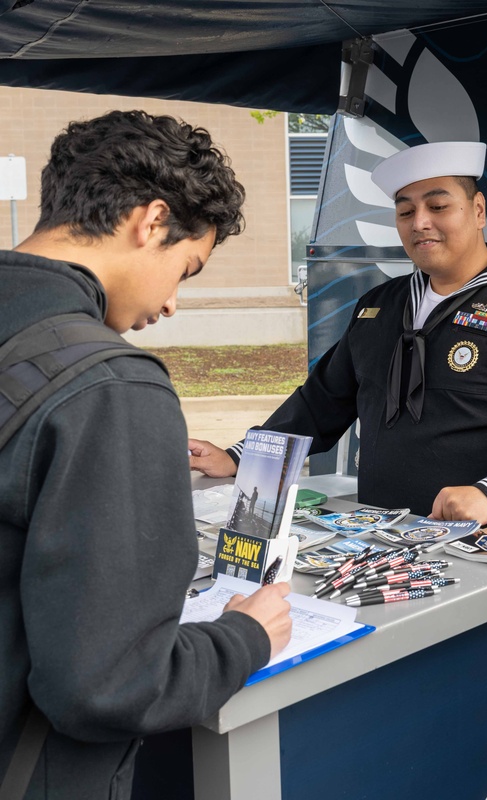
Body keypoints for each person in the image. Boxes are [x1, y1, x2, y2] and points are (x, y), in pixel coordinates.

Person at [0, 110, 293, 799]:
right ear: (152, 221)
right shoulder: (111, 386)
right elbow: (109, 684)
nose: (170, 305)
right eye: (185, 270)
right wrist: (245, 636)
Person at [189, 141, 487, 536]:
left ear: (478, 211)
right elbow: (322, 403)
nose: (420, 222)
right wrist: (241, 457)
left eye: (439, 206)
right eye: (405, 212)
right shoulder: (380, 307)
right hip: (385, 539)